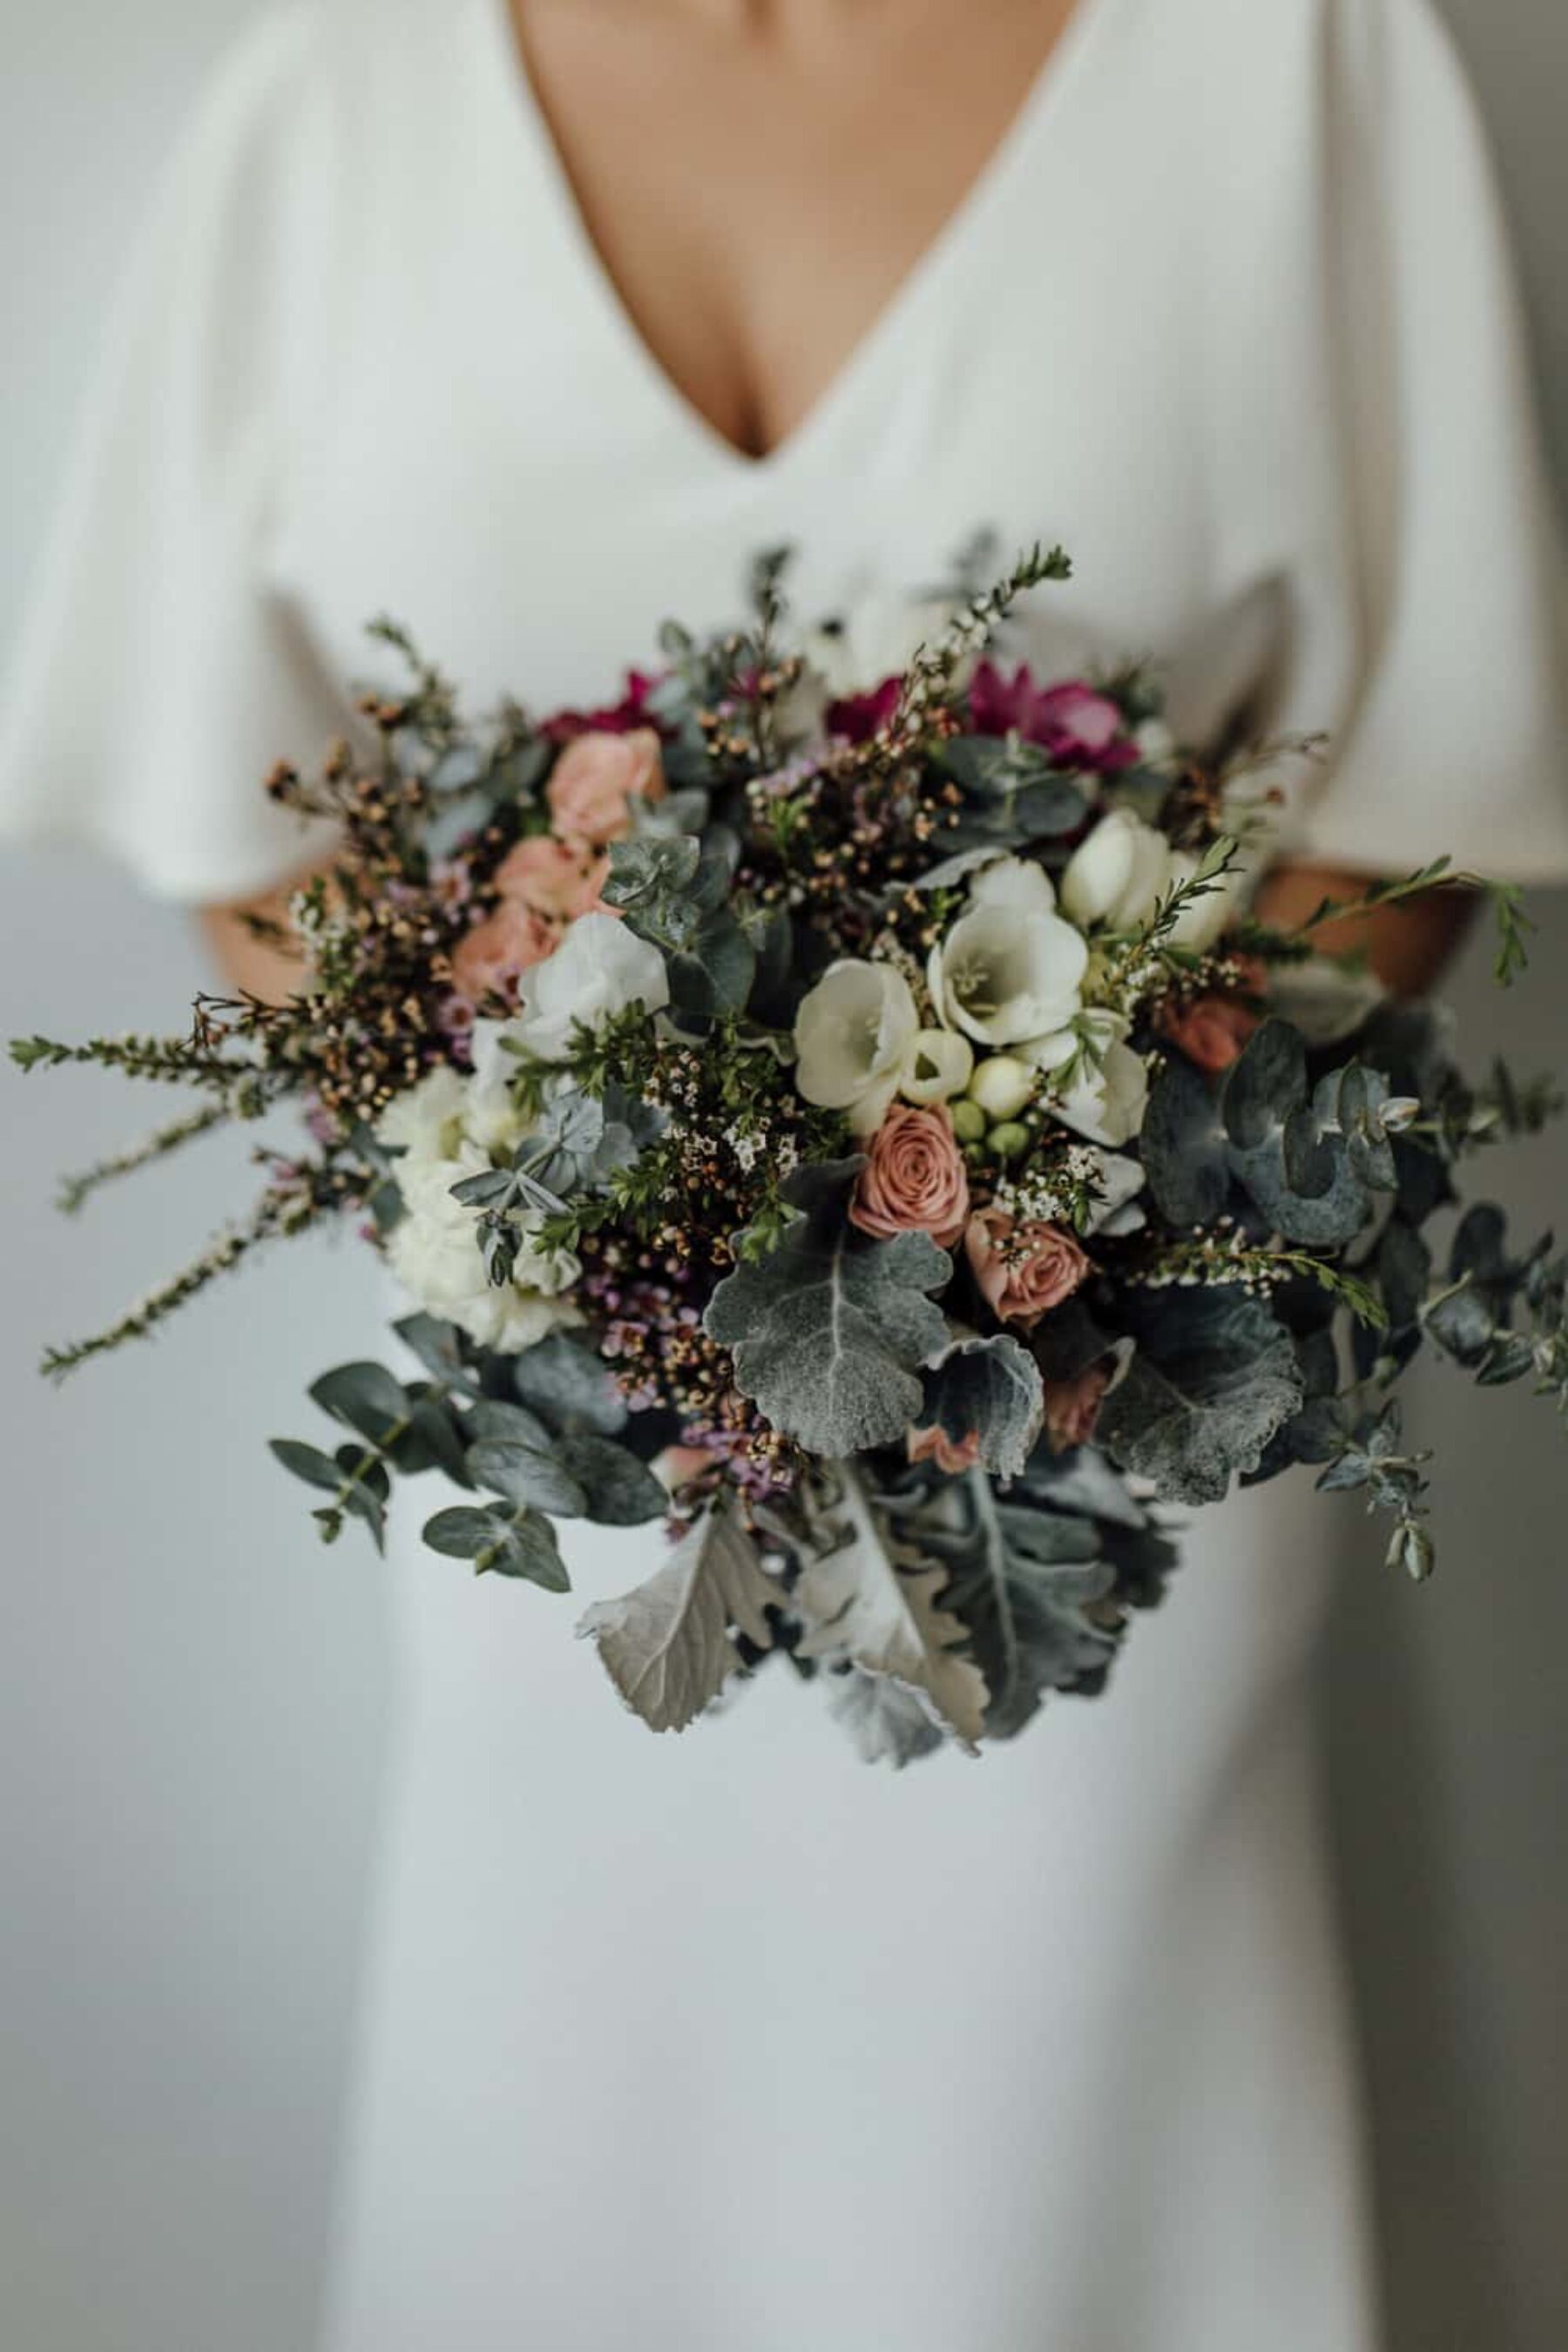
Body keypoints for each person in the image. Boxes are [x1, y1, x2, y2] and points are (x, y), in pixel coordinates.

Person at [4, 3, 1566, 2344]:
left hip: (1102, 1485)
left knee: (1078, 2209)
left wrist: (1037, 1165)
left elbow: (1422, 810)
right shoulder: (336, 99)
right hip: (575, 1508)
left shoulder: (1293, 59)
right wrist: (579, 1158)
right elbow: (240, 823)